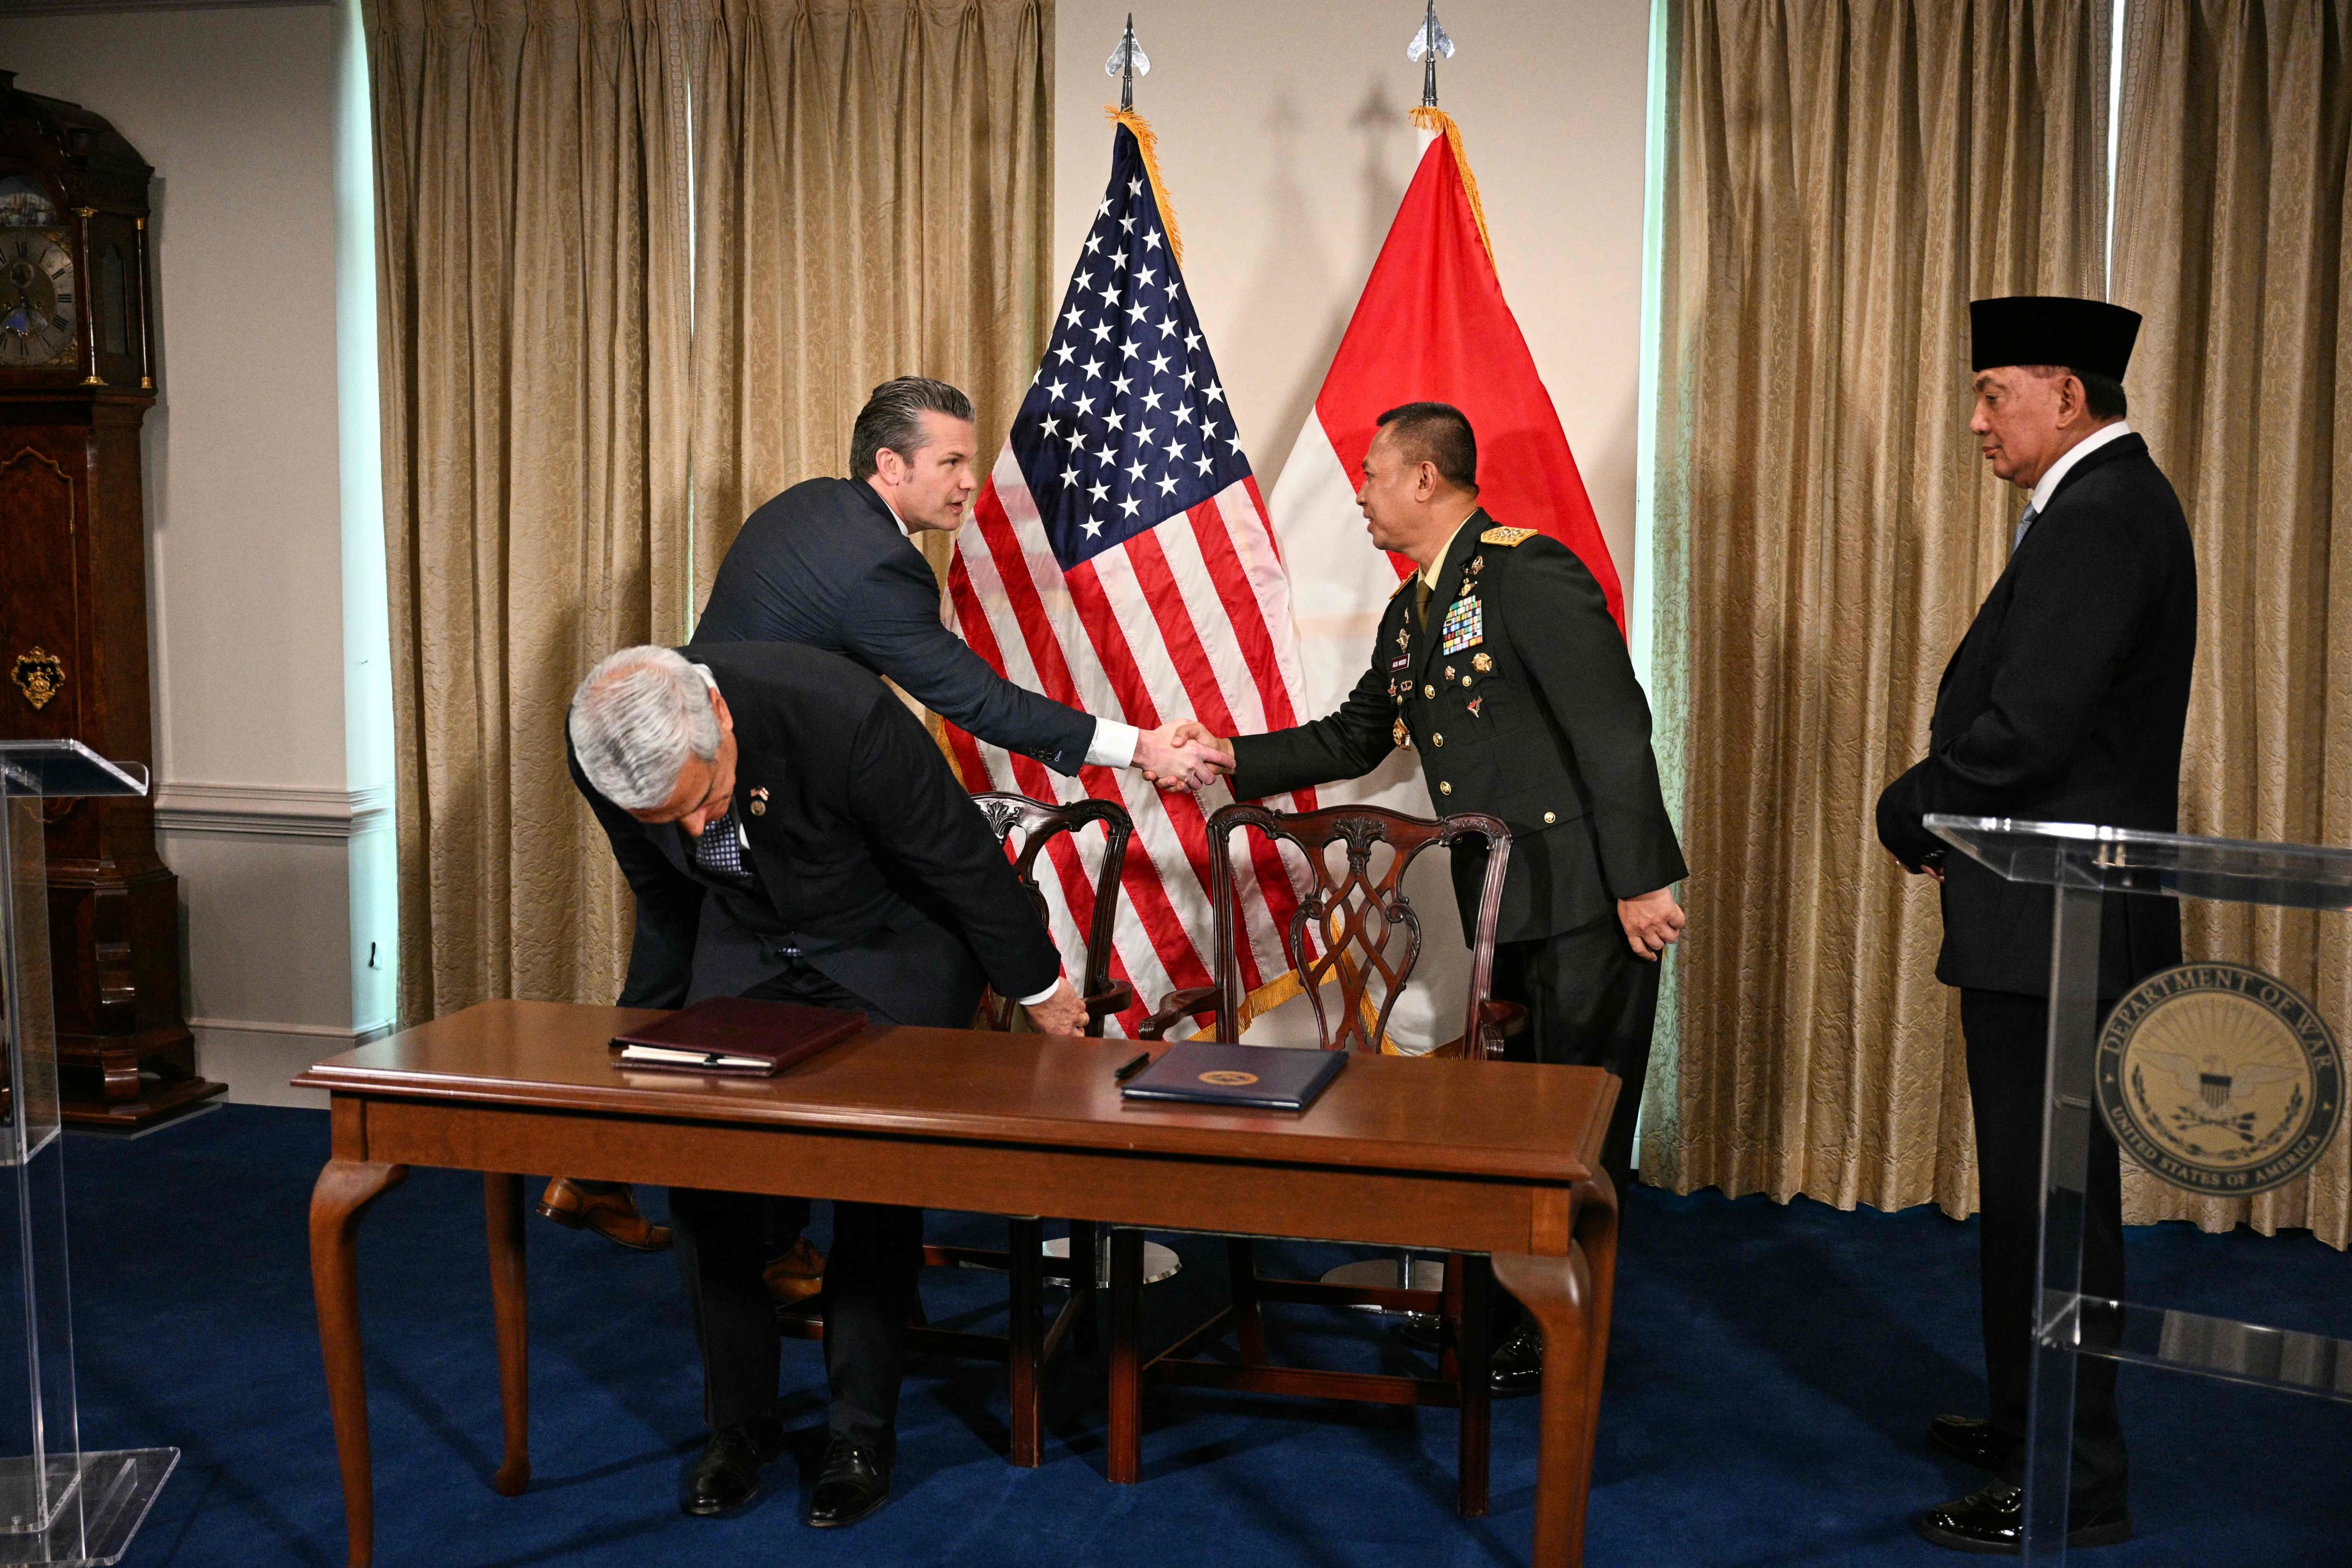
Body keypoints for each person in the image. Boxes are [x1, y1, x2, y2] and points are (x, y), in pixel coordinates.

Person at [540, 375, 1231, 1253]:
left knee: (674, 939)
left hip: (687, 771)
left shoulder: (807, 510)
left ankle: (612, 1166)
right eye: (950, 462)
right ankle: (837, 1218)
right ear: (889, 465)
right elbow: (980, 701)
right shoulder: (873, 569)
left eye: (969, 463)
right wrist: (1143, 748)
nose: (966, 483)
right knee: (874, 949)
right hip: (765, 798)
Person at [1167, 402, 1687, 1395]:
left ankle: (1566, 1339)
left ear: (1425, 478)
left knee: (1580, 1131)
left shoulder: (1526, 571)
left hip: (1586, 895)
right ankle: (1519, 1321)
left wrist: (1639, 879)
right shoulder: (1416, 609)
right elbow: (1357, 735)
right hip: (1510, 899)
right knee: (1528, 1126)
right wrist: (1229, 756)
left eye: (1371, 473)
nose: (1358, 492)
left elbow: (1616, 727)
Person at [567, 642, 1083, 1527]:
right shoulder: (603, 747)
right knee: (702, 1173)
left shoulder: (838, 712)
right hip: (749, 934)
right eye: (671, 815)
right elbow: (664, 897)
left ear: (720, 717)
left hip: (889, 935)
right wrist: (646, 1032)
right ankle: (738, 1427)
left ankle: (858, 1436)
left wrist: (1042, 990)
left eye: (707, 799)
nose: (695, 828)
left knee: (868, 1165)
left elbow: (959, 856)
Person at [1876, 296, 2194, 1554]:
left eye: (1990, 393)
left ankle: (2070, 1476)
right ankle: (2025, 1419)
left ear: (2065, 395)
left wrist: (1909, 807)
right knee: (2026, 1193)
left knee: (2054, 1203)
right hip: (2038, 908)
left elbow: (2029, 729)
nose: (1973, 420)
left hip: (2061, 916)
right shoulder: (2096, 505)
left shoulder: (2103, 512)